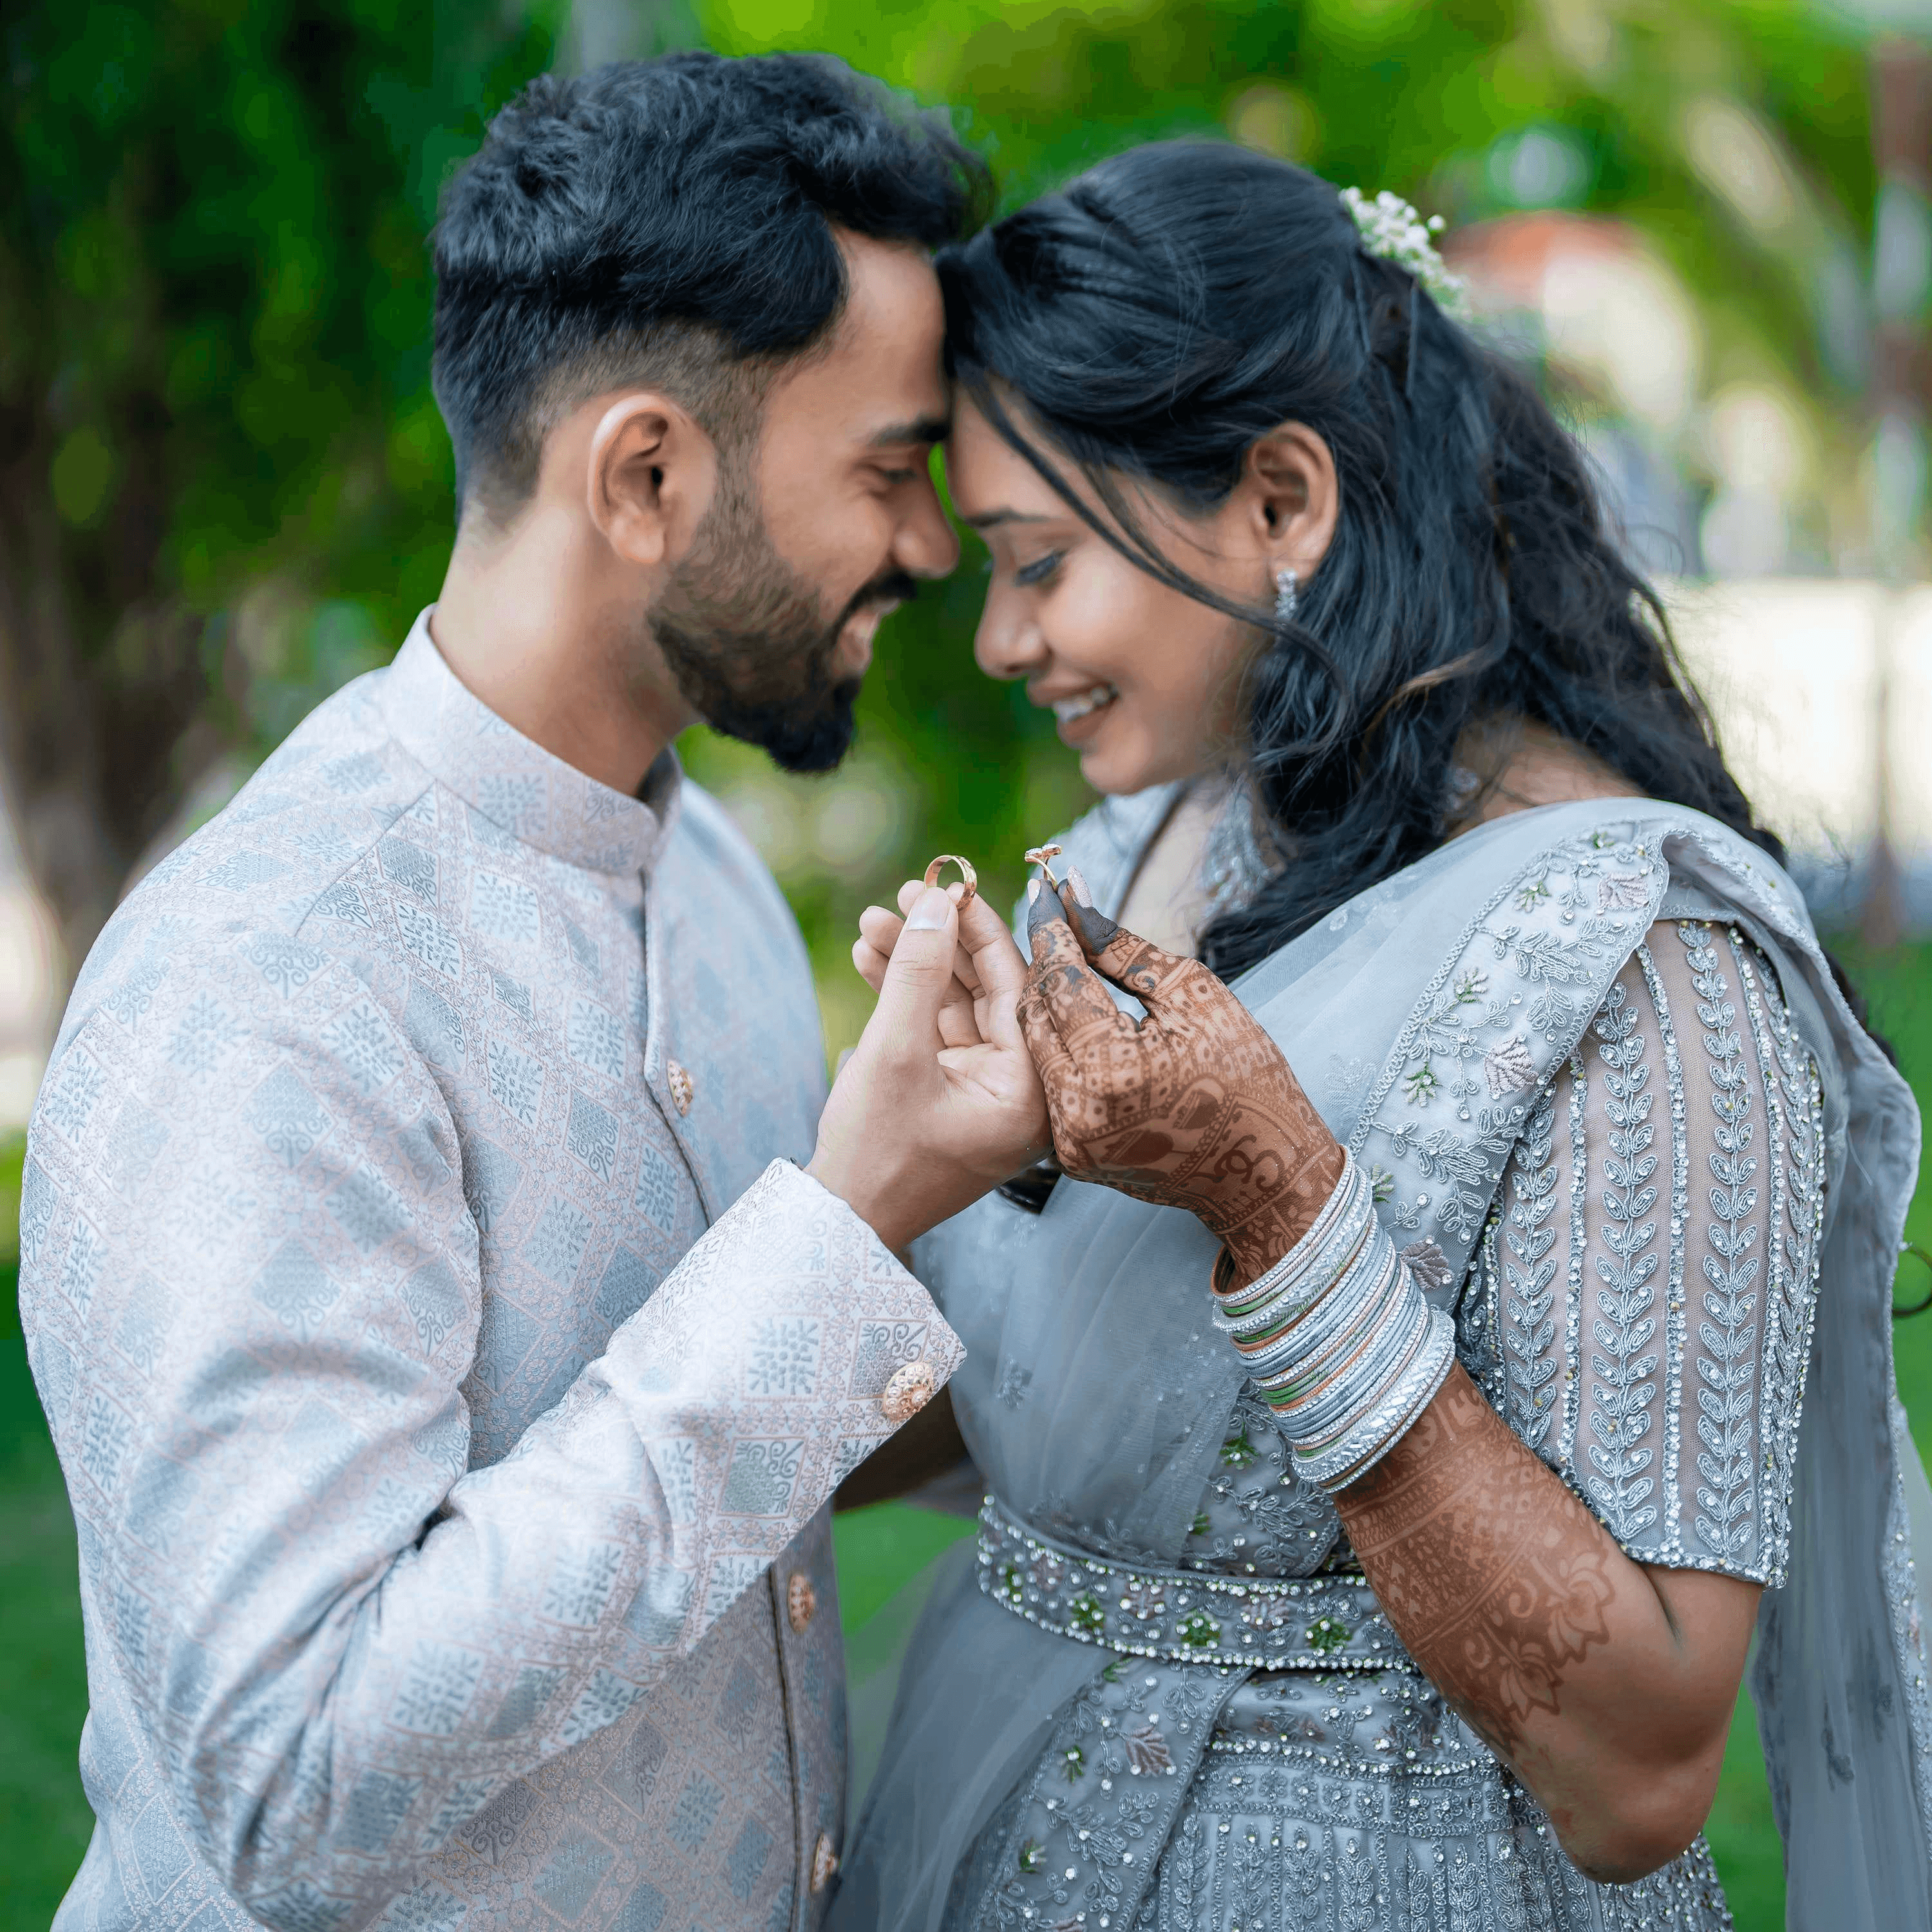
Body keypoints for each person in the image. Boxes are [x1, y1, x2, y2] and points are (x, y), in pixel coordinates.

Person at [830, 144, 1931, 1931]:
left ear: (1283, 501)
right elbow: (1035, 1412)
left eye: (1038, 560)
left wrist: (1273, 1202)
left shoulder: (1653, 967)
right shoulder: (1146, 847)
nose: (1005, 636)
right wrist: (897, 1186)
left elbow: (1642, 1766)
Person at [16, 52, 1050, 1932]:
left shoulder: (712, 875)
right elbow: (296, 1775)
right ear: (646, 473)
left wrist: (1068, 1224)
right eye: (890, 468)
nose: (928, 543)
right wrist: (848, 1225)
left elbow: (751, 1443)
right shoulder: (270, 982)